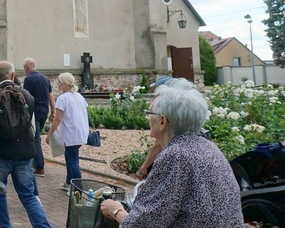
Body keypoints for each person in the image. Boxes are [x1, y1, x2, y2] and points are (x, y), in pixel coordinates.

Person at [100, 83, 244, 226]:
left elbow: (145, 223)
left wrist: (116, 211)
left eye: (149, 114)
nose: (148, 119)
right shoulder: (208, 146)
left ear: (162, 121)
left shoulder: (175, 155)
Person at [0, 61, 51, 228]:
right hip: (24, 153)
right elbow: (33, 128)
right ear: (12, 75)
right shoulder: (27, 95)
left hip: (2, 154)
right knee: (28, 196)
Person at [45, 72, 88, 190]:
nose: (57, 84)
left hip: (71, 133)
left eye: (59, 82)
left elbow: (57, 119)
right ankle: (69, 182)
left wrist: (50, 134)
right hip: (81, 132)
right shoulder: (79, 96)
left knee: (73, 160)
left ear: (65, 84)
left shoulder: (62, 99)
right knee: (70, 157)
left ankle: (78, 189)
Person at [22, 58, 55, 177]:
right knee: (35, 137)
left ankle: (39, 166)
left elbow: (26, 97)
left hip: (34, 111)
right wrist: (53, 111)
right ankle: (35, 162)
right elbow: (51, 96)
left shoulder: (29, 79)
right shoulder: (45, 78)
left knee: (35, 138)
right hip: (44, 110)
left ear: (26, 67)